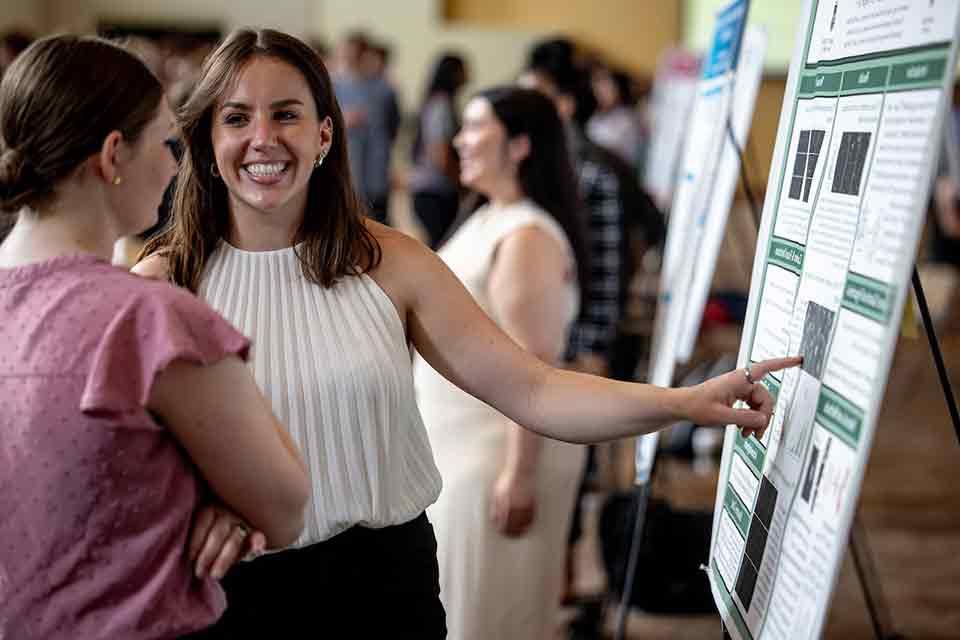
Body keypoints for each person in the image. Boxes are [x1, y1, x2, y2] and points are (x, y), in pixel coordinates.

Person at [135, 27, 799, 639]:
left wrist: (682, 403)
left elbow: (533, 389)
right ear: (206, 142)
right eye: (236, 117)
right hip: (231, 595)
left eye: (286, 114)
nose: (263, 138)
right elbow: (117, 459)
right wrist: (191, 504)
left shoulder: (390, 262)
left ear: (325, 135)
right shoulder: (164, 281)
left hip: (382, 586)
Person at [0, 35, 309, 640]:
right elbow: (286, 505)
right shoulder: (150, 322)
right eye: (167, 142)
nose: (176, 165)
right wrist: (216, 497)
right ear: (113, 155)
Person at [411, 86, 589, 639]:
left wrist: (520, 472)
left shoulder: (527, 235)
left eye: (474, 127)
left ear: (518, 146)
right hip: (463, 451)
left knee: (488, 619)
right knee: (465, 612)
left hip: (498, 457)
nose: (459, 140)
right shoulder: (490, 215)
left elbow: (534, 364)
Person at [331, 30, 399, 224]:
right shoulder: (331, 87)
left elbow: (393, 128)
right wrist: (342, 120)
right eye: (346, 55)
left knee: (377, 225)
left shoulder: (383, 90)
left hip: (374, 175)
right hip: (344, 174)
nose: (349, 61)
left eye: (355, 56)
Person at [409, 52, 468, 248]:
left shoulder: (434, 102)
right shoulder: (441, 106)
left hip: (428, 190)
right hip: (435, 191)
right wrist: (461, 182)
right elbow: (440, 154)